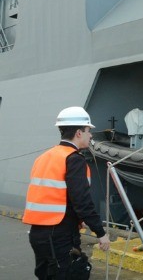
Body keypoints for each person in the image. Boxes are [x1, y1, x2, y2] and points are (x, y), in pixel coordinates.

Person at [23, 106, 110, 279]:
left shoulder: (44, 157)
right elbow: (82, 202)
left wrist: (77, 220)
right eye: (88, 130)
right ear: (78, 133)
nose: (90, 135)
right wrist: (100, 233)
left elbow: (53, 196)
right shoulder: (74, 160)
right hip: (60, 236)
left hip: (38, 235)